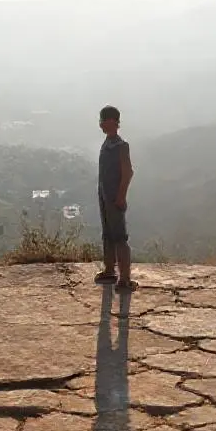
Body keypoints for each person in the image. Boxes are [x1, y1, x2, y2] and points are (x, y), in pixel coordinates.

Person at [95, 105, 136, 292]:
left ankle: (125, 278)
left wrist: (121, 196)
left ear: (113, 122)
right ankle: (110, 270)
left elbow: (127, 173)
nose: (101, 123)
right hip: (104, 197)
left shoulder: (121, 146)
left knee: (119, 237)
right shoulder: (106, 143)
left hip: (114, 198)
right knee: (108, 235)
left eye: (104, 120)